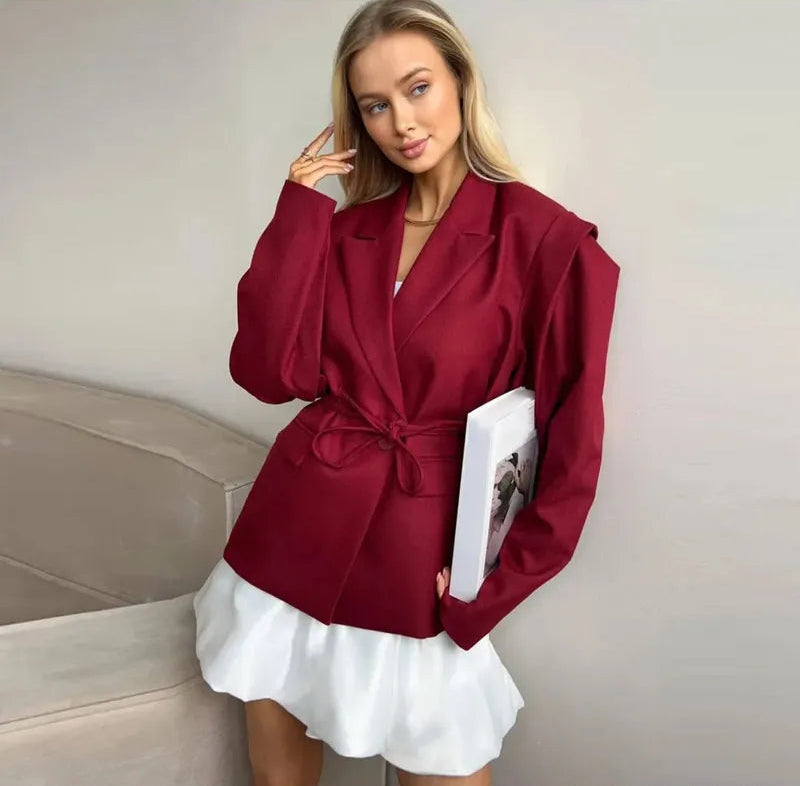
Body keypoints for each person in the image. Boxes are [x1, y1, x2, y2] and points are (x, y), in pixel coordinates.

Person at [193, 1, 620, 784]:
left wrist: (491, 586)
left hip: (422, 555)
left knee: (443, 758)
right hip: (292, 532)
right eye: (375, 105)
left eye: (418, 88)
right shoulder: (345, 231)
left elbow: (574, 442)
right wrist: (299, 211)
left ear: (460, 80)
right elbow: (269, 375)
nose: (402, 122)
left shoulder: (547, 241)